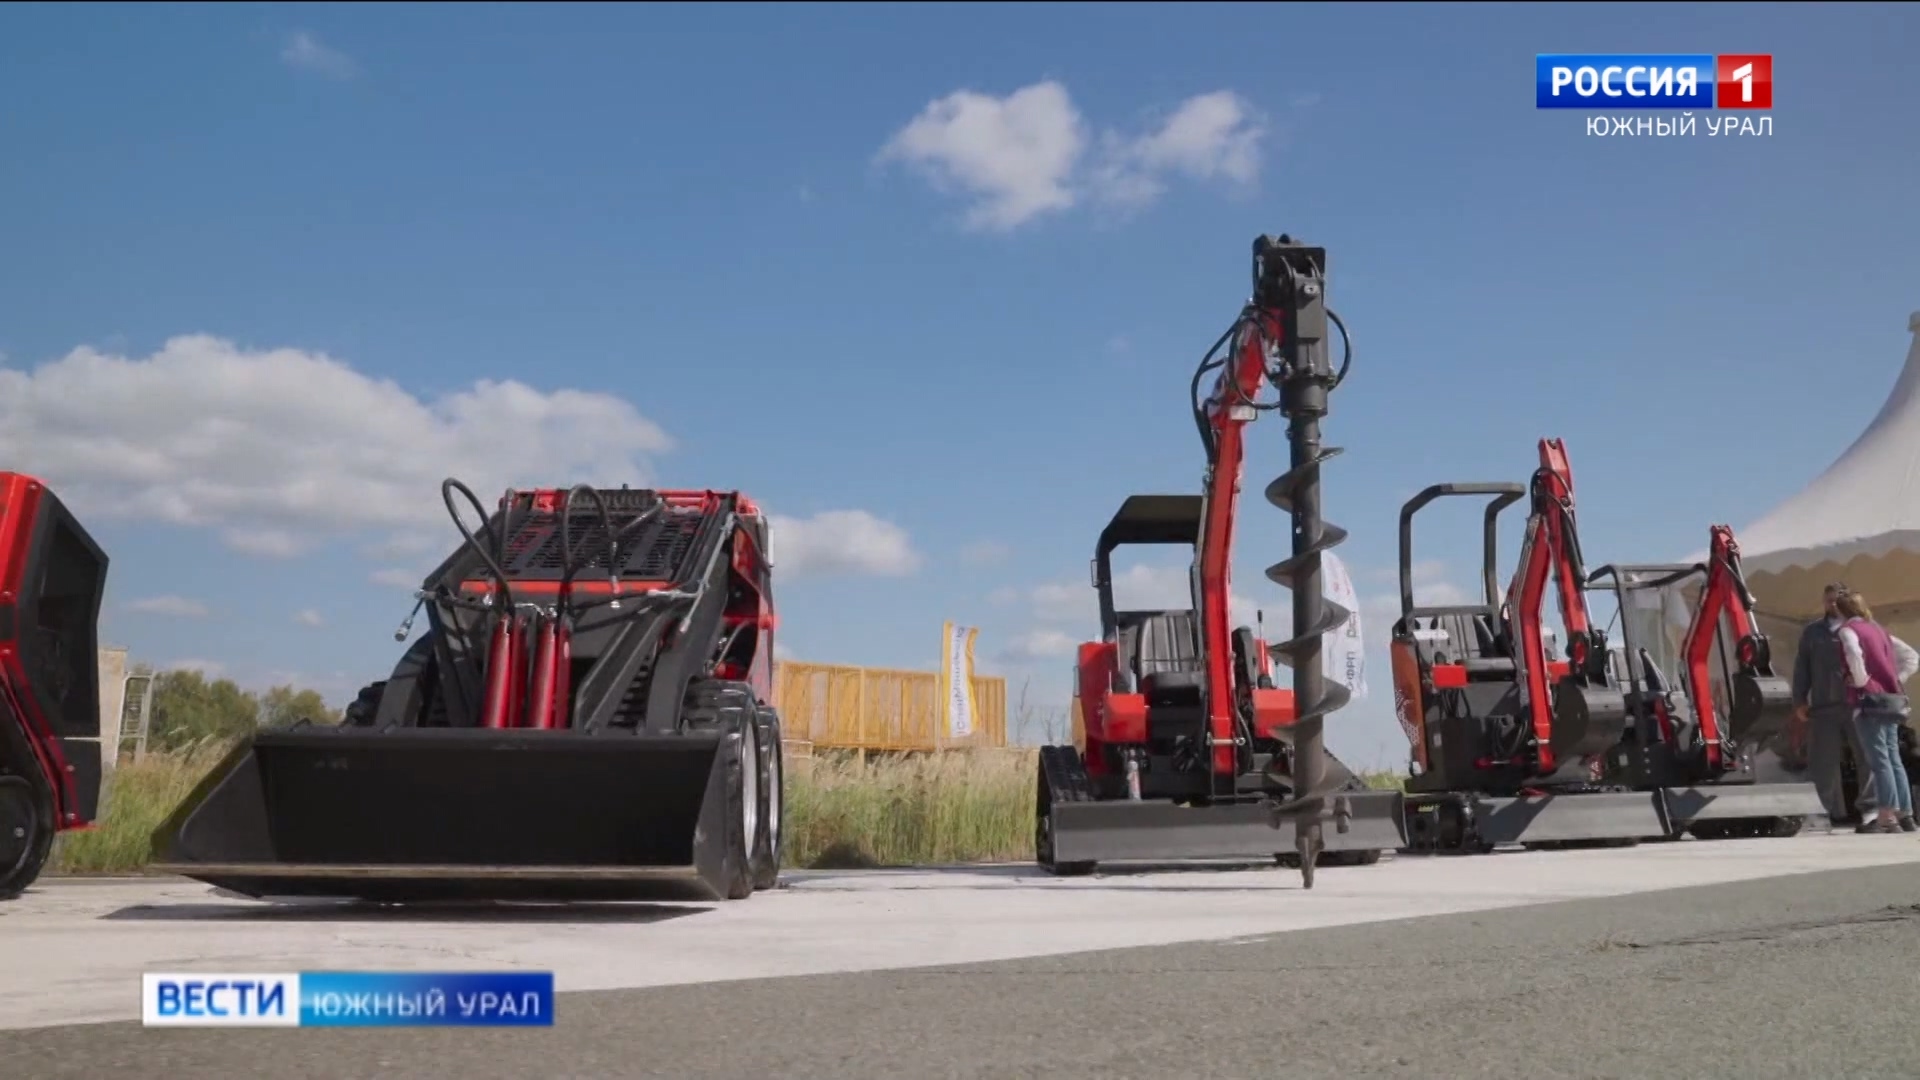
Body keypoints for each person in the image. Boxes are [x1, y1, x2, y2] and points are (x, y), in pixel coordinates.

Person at [1833, 591, 1919, 833]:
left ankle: (1886, 815)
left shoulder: (1848, 630)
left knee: (1880, 760)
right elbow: (1911, 656)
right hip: (1891, 699)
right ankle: (1906, 814)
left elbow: (1853, 654)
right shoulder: (1879, 630)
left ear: (1840, 610)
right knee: (1893, 758)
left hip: (1869, 701)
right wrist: (1895, 679)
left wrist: (1862, 681)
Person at [1794, 583, 1878, 826]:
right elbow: (1802, 668)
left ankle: (1870, 809)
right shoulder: (1812, 632)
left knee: (1867, 757)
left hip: (1858, 703)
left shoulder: (1863, 627)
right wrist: (1799, 699)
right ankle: (1820, 811)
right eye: (1828, 600)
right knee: (1821, 761)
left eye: (1836, 599)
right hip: (1823, 706)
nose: (1832, 604)